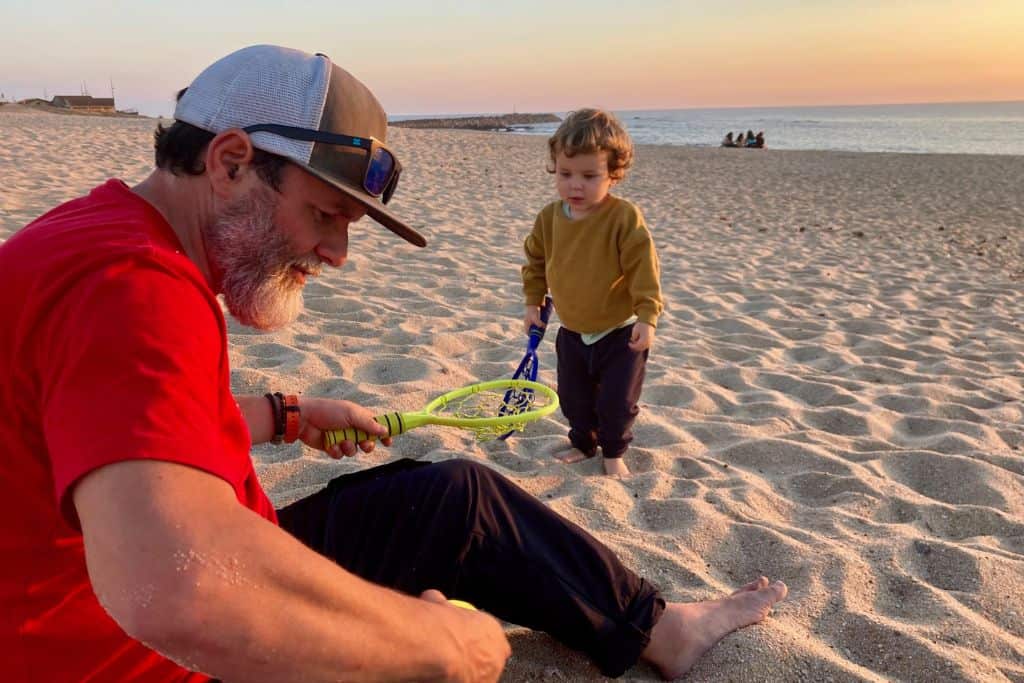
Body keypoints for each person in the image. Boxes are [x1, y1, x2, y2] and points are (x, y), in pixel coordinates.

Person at [0, 45, 787, 682]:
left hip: (135, 593)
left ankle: (662, 628)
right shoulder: (130, 290)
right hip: (132, 654)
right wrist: (437, 644)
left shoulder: (103, 236)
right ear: (232, 160)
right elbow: (174, 588)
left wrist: (283, 415)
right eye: (325, 214)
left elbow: (99, 435)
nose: (338, 253)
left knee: (455, 498)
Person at [520, 109, 660, 479]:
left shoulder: (623, 217)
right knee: (574, 398)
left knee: (618, 401)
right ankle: (583, 442)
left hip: (620, 332)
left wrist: (648, 316)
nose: (574, 186)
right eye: (565, 174)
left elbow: (643, 268)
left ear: (613, 174)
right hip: (572, 331)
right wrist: (533, 301)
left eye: (589, 176)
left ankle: (613, 451)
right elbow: (535, 260)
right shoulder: (549, 218)